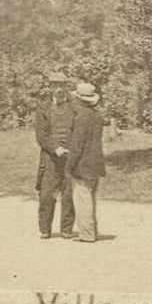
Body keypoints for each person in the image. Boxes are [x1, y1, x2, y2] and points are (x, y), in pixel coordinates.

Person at [33, 74, 76, 239]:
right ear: (50, 87)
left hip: (70, 156)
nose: (59, 89)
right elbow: (41, 135)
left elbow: (79, 130)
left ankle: (66, 229)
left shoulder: (75, 107)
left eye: (62, 85)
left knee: (69, 193)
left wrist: (72, 148)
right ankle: (45, 229)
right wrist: (54, 148)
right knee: (46, 194)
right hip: (50, 158)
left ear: (67, 86)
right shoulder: (43, 108)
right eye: (55, 85)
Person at [65, 81, 107, 243]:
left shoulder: (81, 117)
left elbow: (77, 144)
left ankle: (87, 234)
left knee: (83, 199)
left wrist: (70, 165)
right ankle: (92, 230)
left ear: (79, 100)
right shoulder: (97, 116)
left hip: (83, 163)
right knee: (90, 197)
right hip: (96, 161)